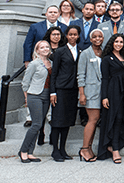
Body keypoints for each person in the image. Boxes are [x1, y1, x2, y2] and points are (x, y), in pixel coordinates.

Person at [97, 33, 124, 163]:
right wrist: (104, 96)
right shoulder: (107, 59)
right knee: (115, 118)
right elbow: (105, 78)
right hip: (112, 92)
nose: (119, 44)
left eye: (121, 42)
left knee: (121, 119)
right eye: (116, 41)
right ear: (112, 42)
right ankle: (114, 148)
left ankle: (114, 145)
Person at [49, 25, 81, 162]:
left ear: (78, 36)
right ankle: (55, 150)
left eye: (75, 34)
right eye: (70, 34)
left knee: (67, 120)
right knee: (58, 121)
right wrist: (53, 92)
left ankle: (63, 149)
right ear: (66, 36)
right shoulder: (60, 51)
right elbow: (54, 73)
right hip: (61, 89)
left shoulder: (80, 51)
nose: (73, 37)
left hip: (73, 89)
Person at [19, 40, 52, 163]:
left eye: (47, 47)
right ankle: (23, 150)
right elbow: (25, 82)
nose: (45, 49)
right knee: (36, 124)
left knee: (39, 124)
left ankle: (30, 152)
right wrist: (27, 97)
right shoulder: (34, 64)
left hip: (46, 96)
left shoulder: (51, 63)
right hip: (35, 95)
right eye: (42, 47)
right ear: (37, 50)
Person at [77, 29, 104, 162]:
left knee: (95, 120)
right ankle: (84, 148)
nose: (97, 39)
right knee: (93, 119)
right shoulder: (85, 54)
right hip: (90, 92)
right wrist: (81, 94)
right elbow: (80, 75)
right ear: (90, 39)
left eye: (100, 36)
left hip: (101, 91)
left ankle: (89, 148)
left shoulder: (104, 52)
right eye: (95, 37)